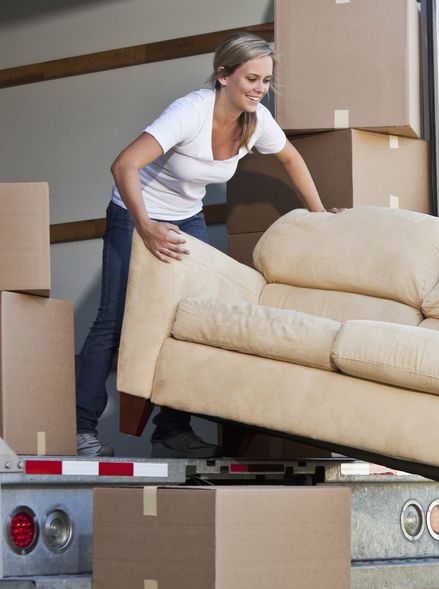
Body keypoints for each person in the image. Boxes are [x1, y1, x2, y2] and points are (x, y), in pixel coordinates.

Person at [75, 31, 332, 458]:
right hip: (133, 212)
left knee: (190, 320)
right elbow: (124, 165)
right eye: (252, 79)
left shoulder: (255, 122)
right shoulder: (190, 112)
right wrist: (144, 225)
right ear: (222, 76)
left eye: (266, 81)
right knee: (114, 319)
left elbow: (291, 158)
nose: (259, 90)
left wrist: (320, 214)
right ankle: (83, 429)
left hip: (187, 217)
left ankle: (170, 429)